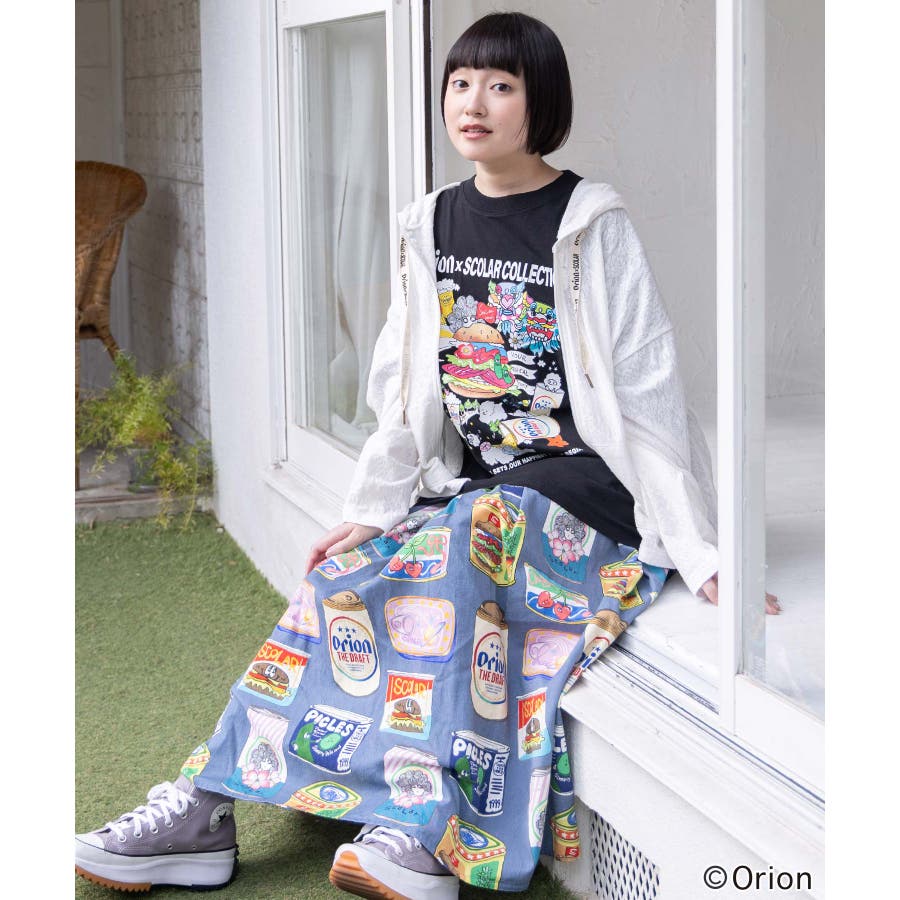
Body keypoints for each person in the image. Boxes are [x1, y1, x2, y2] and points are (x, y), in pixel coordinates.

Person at [74, 11, 780, 900]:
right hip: (481, 491)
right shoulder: (430, 223)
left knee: (465, 537)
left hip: (586, 489)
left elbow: (645, 387)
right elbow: (403, 386)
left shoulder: (589, 223)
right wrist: (370, 508)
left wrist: (704, 550)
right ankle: (205, 804)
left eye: (501, 85)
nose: (473, 103)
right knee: (344, 576)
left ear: (541, 103)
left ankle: (424, 826)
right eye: (460, 83)